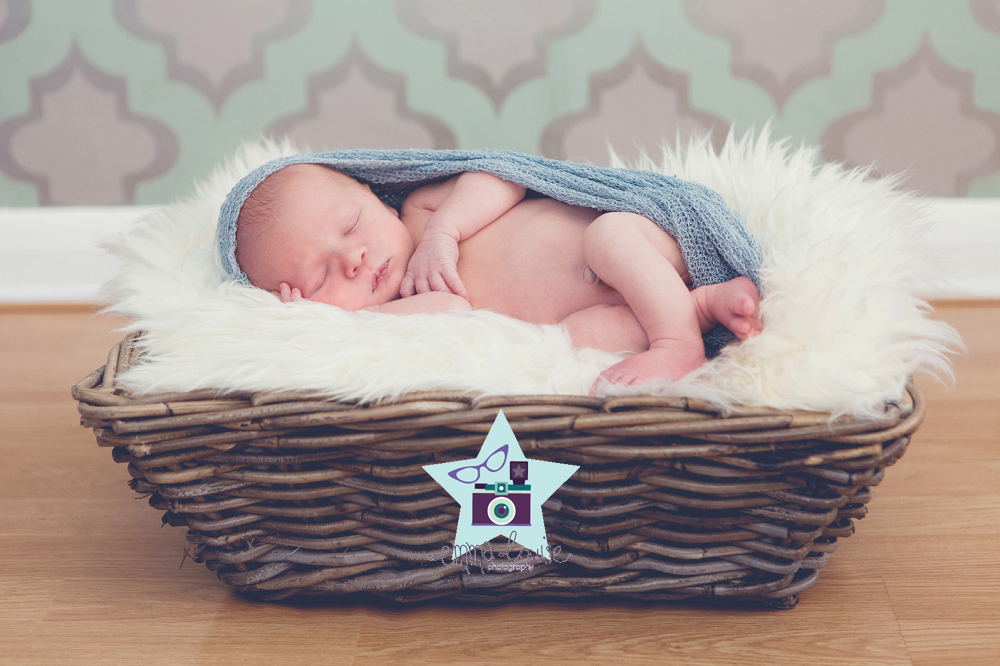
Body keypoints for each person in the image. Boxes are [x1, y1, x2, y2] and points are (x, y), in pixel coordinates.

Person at [233, 162, 761, 393]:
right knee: (582, 340)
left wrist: (445, 231)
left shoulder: (422, 208)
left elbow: (501, 177)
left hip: (638, 243)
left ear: (374, 193)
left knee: (610, 237)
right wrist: (325, 320)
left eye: (350, 225)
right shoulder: (403, 309)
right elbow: (452, 313)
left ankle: (678, 343)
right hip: (617, 304)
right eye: (322, 277)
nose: (352, 258)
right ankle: (697, 306)